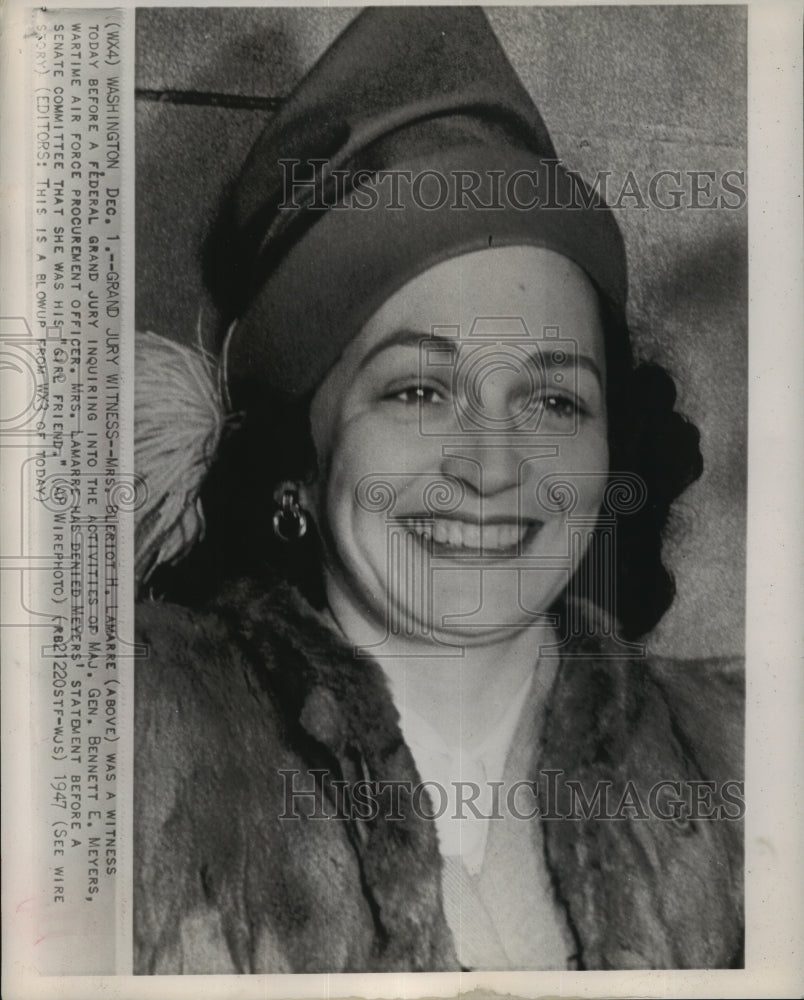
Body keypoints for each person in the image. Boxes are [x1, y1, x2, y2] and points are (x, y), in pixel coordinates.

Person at [133, 7, 744, 974]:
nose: (493, 464)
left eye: (551, 399)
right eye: (419, 390)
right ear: (300, 447)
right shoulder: (131, 743)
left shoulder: (745, 763)